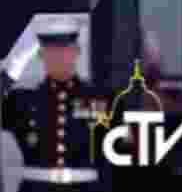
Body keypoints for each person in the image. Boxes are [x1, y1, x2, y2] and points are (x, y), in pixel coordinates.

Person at [1, 16, 110, 192]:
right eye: (51, 51)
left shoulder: (101, 100)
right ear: (41, 55)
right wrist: (13, 67)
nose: (58, 57)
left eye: (65, 50)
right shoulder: (23, 101)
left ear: (77, 51)